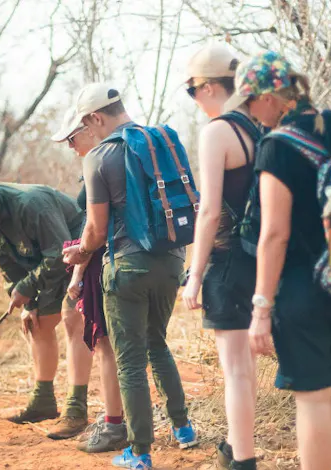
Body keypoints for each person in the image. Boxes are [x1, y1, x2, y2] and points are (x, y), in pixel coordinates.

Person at [223, 50, 331, 470]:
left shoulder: (278, 146)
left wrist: (261, 308)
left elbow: (274, 234)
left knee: (312, 400)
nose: (251, 113)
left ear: (269, 97)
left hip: (304, 290)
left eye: (250, 103)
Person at [61, 83, 198, 470]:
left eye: (86, 124)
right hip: (173, 260)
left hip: (128, 268)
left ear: (94, 118)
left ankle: (139, 453)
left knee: (131, 361)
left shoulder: (100, 157)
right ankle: (184, 429)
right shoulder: (161, 142)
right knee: (158, 343)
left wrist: (81, 252)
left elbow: (96, 232)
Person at [0, 170, 93, 439]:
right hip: (47, 262)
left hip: (77, 251)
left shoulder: (30, 202)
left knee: (73, 320)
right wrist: (25, 300)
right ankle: (43, 402)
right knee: (36, 324)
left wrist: (26, 288)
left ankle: (76, 410)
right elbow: (6, 263)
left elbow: (61, 254)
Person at [180, 43, 262, 470]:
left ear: (210, 87)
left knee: (235, 369)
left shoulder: (216, 132)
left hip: (228, 263)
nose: (193, 100)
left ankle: (243, 459)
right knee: (245, 366)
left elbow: (209, 210)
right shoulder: (260, 126)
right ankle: (236, 445)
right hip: (263, 258)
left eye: (191, 90)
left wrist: (194, 274)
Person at [50, 109, 127, 453]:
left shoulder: (100, 161)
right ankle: (175, 423)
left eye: (71, 138)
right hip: (119, 261)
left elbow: (96, 228)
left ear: (91, 128)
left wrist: (79, 266)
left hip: (112, 263)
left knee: (109, 346)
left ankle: (115, 425)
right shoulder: (117, 156)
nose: (70, 147)